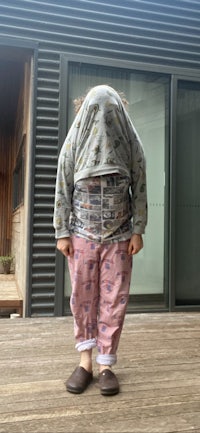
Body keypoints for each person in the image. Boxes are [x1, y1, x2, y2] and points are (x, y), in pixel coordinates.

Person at [53, 84, 147, 396]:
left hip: (120, 237)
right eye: (96, 110)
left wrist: (138, 229)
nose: (103, 116)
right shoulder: (75, 144)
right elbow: (63, 184)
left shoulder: (130, 144)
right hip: (81, 235)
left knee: (115, 299)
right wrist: (62, 232)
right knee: (82, 297)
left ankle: (106, 365)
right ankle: (85, 363)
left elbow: (141, 184)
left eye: (110, 111)